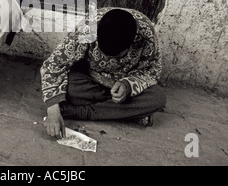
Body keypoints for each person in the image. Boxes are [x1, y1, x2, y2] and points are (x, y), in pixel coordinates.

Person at [40, 7, 166, 137]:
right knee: (71, 88)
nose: (107, 59)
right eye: (103, 53)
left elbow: (151, 72)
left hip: (124, 84)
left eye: (115, 56)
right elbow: (53, 65)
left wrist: (127, 86)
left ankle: (79, 112)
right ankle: (126, 113)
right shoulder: (88, 28)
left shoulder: (146, 34)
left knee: (157, 98)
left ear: (132, 43)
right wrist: (53, 110)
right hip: (90, 80)